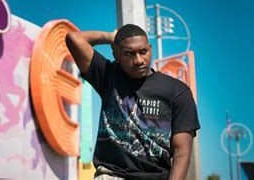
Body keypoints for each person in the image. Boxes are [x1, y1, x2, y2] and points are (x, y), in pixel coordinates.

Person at [66, 24, 200, 180]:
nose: (138, 60)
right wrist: (111, 37)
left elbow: (181, 152)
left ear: (150, 48)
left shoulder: (177, 91)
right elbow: (74, 38)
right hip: (112, 175)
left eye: (143, 52)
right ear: (116, 55)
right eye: (129, 54)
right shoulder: (108, 76)